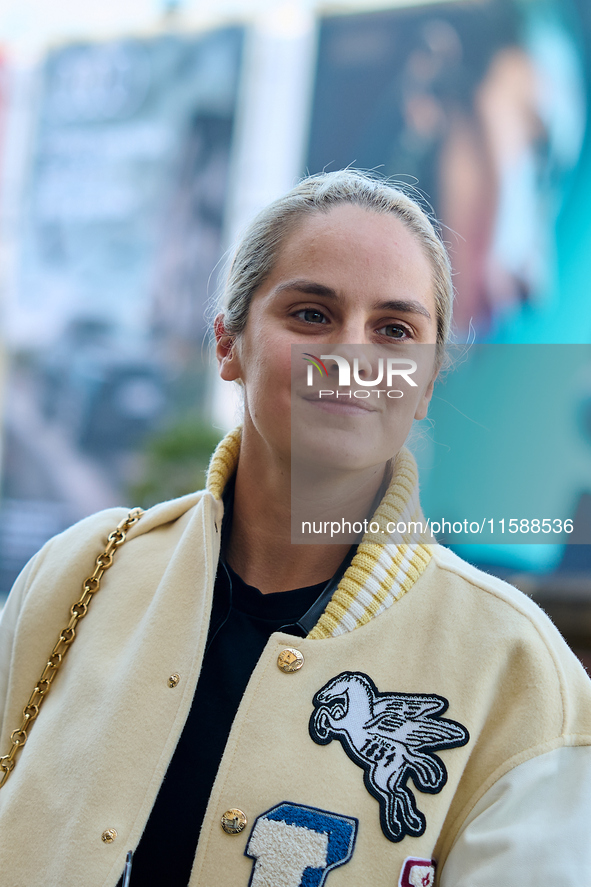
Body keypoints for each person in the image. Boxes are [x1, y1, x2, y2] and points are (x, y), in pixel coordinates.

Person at [0, 170, 590, 887]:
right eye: (311, 314)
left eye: (395, 329)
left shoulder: (521, 671)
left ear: (428, 381)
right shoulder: (77, 573)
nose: (349, 354)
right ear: (228, 344)